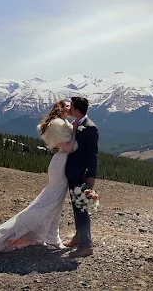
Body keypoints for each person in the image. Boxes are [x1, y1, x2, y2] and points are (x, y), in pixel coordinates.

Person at [0, 100, 77, 256]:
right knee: (50, 203)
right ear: (60, 108)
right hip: (60, 164)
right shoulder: (58, 124)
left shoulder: (61, 122)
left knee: (55, 204)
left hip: (60, 163)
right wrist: (75, 133)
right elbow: (67, 148)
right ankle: (27, 234)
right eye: (67, 105)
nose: (70, 107)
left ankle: (53, 237)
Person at [62, 96, 99, 258]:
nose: (69, 109)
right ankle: (79, 236)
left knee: (82, 207)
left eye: (71, 107)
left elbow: (93, 154)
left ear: (76, 109)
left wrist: (90, 176)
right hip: (73, 172)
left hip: (82, 175)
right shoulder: (77, 124)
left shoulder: (90, 128)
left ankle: (86, 245)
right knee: (76, 206)